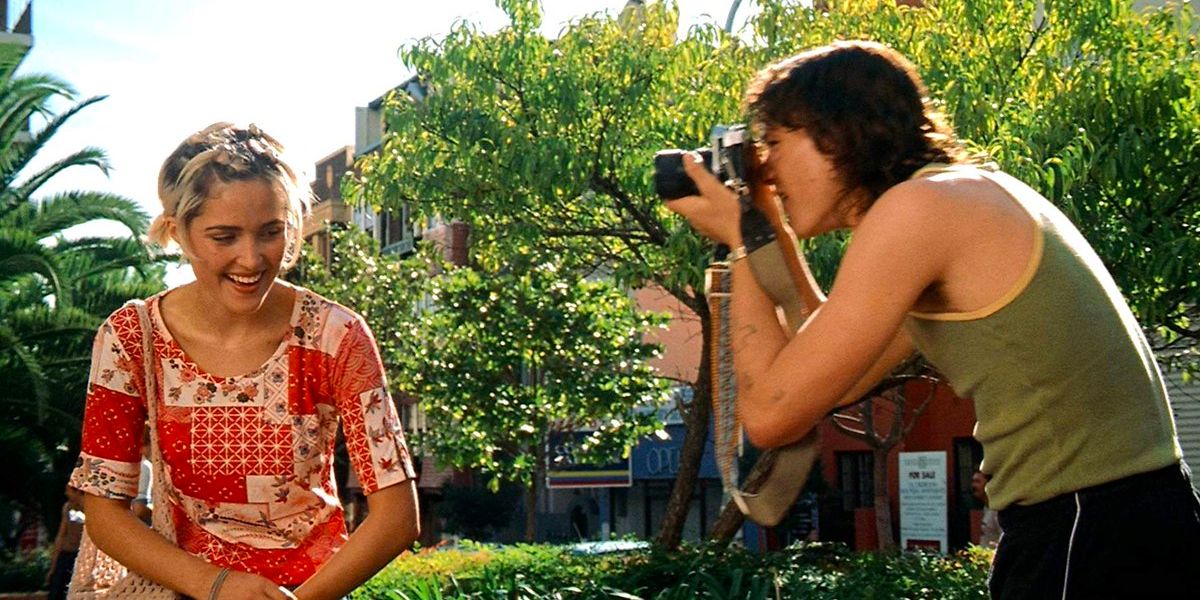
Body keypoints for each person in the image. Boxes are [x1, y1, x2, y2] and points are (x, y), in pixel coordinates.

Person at [666, 41, 1199, 599]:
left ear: (839, 133)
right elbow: (821, 363)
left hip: (1091, 529)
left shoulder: (920, 211)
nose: (765, 170)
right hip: (1118, 524)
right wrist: (763, 225)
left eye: (774, 142)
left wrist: (741, 239)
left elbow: (773, 413)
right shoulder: (952, 199)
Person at [69, 122, 420, 600]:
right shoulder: (130, 338)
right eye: (224, 236)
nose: (251, 259)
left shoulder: (337, 336)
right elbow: (104, 511)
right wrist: (215, 586)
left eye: (270, 232)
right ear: (179, 232)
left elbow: (398, 517)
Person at [45, 486, 85, 600]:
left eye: (68, 490)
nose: (66, 493)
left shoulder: (90, 509)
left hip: (79, 556)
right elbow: (61, 535)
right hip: (65, 554)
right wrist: (53, 566)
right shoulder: (68, 507)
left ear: (77, 491)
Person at [971, 470, 1000, 549]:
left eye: (977, 482)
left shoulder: (998, 510)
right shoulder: (986, 508)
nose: (973, 485)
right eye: (973, 481)